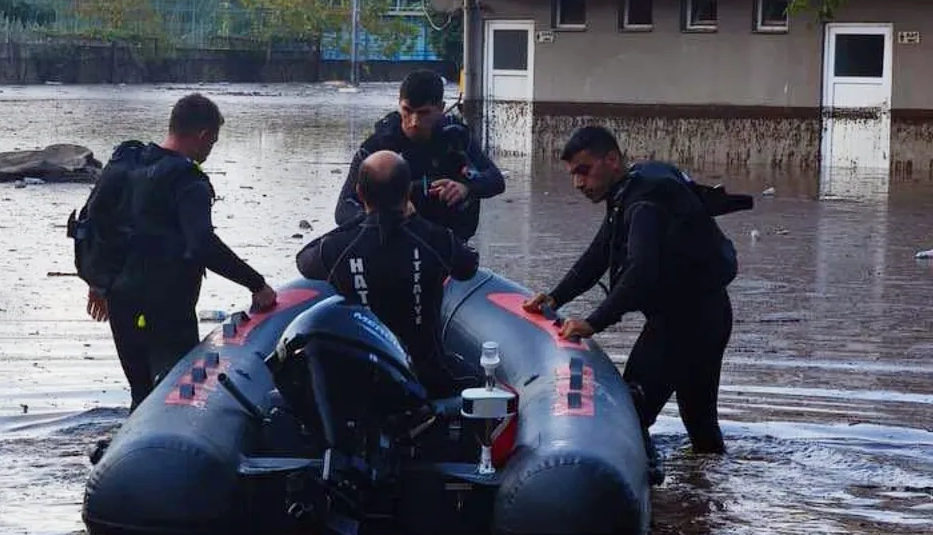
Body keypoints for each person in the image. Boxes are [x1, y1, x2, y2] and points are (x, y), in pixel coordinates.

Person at [523, 126, 742, 464]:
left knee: (631, 413)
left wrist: (594, 322)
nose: (578, 183)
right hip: (710, 314)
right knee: (701, 427)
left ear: (611, 160)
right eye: (573, 174)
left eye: (584, 171)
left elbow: (641, 270)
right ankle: (704, 491)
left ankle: (642, 487)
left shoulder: (644, 204)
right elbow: (600, 253)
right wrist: (555, 298)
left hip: (684, 322)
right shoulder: (630, 190)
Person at [85, 93, 278, 411]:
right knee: (175, 395)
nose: (209, 151)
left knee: (141, 392)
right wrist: (256, 283)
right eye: (212, 142)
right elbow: (202, 244)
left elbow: (95, 222)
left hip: (121, 302)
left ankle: (133, 438)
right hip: (167, 307)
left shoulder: (129, 162)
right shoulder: (188, 181)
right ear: (203, 135)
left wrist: (97, 282)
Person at [298, 149, 481, 398]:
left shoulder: (337, 247)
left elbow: (303, 260)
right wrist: (417, 221)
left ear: (360, 193)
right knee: (479, 376)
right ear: (407, 194)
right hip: (427, 377)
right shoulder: (434, 240)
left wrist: (362, 220)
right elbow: (468, 266)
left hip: (359, 379)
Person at [335, 70, 505, 242]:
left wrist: (466, 187)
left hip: (447, 241)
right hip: (395, 241)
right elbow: (343, 209)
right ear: (399, 104)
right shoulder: (377, 146)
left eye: (424, 113)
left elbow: (496, 180)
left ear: (441, 108)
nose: (414, 122)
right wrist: (384, 215)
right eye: (407, 111)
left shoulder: (456, 137)